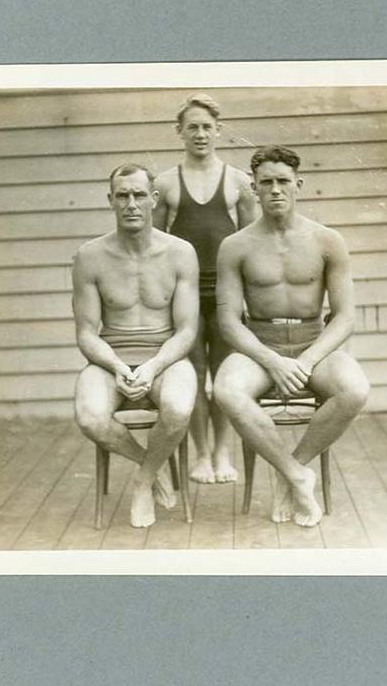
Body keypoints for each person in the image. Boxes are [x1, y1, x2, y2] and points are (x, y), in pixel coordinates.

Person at [214, 146, 370, 527]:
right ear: (253, 188)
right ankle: (298, 475)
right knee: (226, 389)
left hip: (311, 343)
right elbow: (229, 321)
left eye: (283, 181)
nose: (275, 190)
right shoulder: (236, 246)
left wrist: (305, 361)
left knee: (355, 389)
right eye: (266, 183)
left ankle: (292, 473)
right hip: (260, 346)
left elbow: (346, 317)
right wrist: (272, 361)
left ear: (299, 185)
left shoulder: (327, 240)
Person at [72, 163, 199, 528]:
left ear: (153, 200)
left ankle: (143, 482)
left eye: (139, 195)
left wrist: (153, 366)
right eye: (122, 196)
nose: (131, 204)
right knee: (90, 416)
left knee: (177, 407)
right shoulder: (90, 257)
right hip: (110, 358)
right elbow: (86, 333)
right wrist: (116, 367)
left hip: (166, 357)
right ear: (110, 200)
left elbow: (187, 331)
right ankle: (153, 465)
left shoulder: (180, 253)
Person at [153, 93, 257, 485]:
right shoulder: (165, 184)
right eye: (192, 126)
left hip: (227, 293)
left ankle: (222, 452)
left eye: (207, 127)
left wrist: (247, 295)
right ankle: (200, 453)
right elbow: (156, 247)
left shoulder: (238, 182)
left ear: (219, 131)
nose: (200, 134)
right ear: (179, 131)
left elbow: (252, 243)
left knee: (225, 370)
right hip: (186, 294)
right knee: (194, 371)